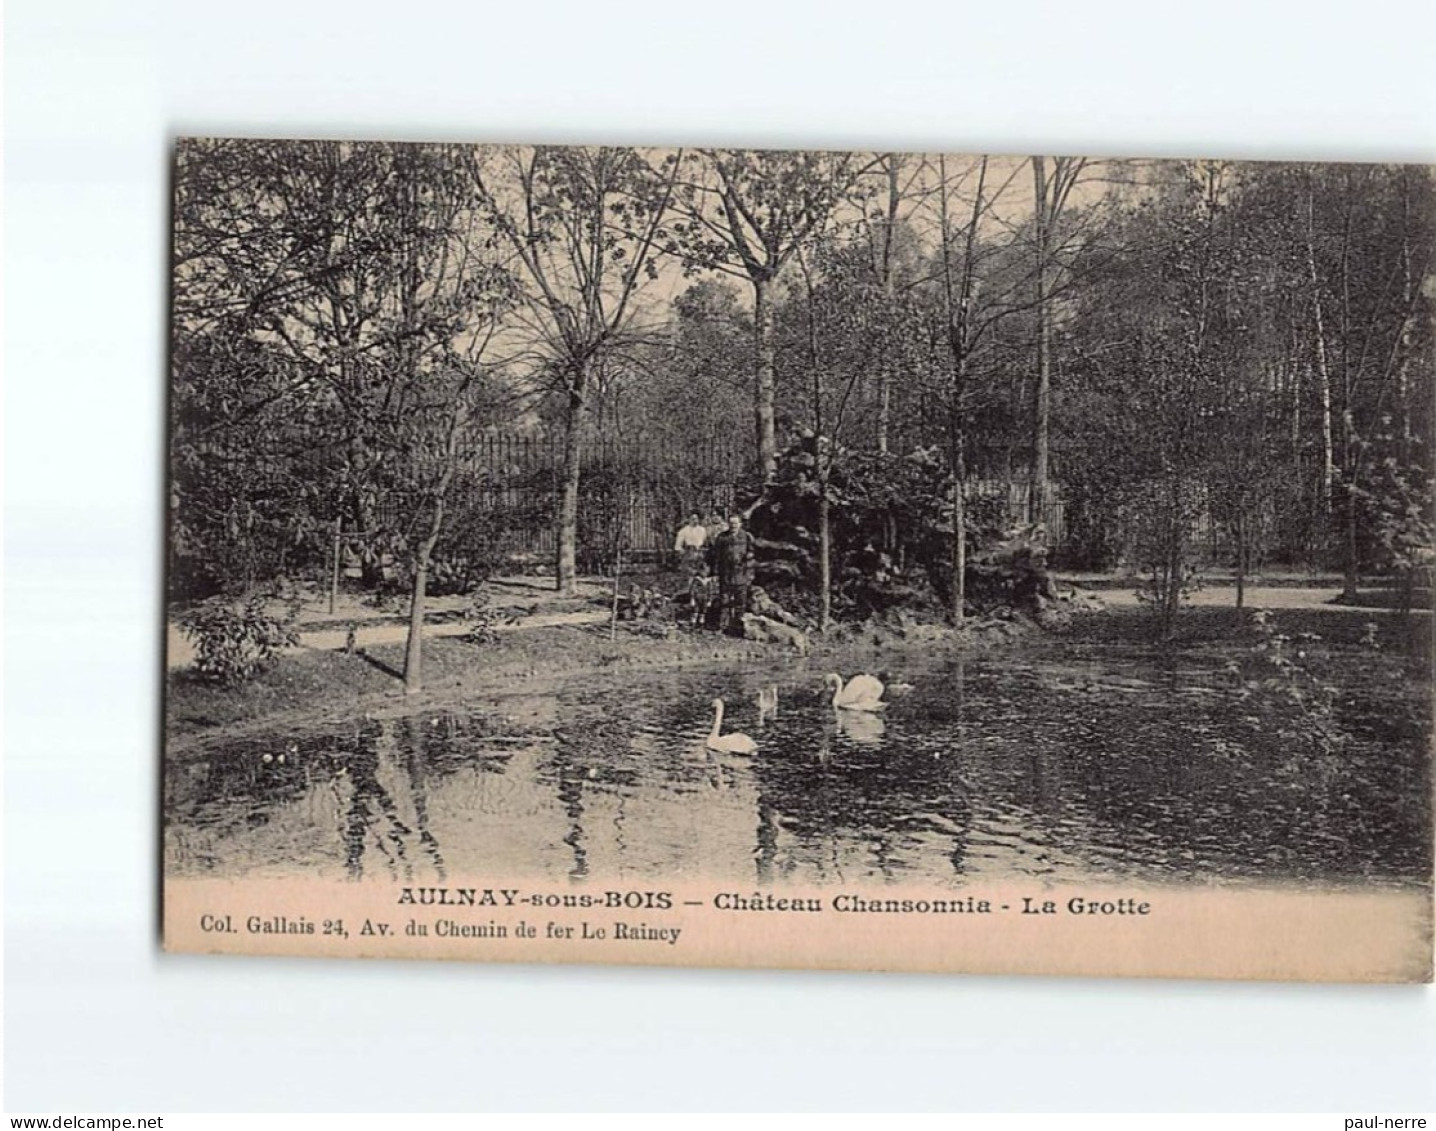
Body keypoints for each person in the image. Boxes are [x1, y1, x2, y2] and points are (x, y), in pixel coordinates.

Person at [710, 513, 755, 634]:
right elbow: (716, 557)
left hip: (741, 573)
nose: (733, 525)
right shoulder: (722, 537)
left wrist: (749, 563)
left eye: (735, 523)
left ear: (740, 524)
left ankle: (738, 627)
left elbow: (752, 553)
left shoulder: (746, 537)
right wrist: (714, 573)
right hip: (725, 574)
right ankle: (723, 626)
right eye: (731, 523)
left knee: (740, 601)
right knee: (724, 600)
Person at [673, 512, 708, 576]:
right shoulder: (683, 530)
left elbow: (705, 541)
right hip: (689, 553)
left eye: (696, 519)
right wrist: (685, 554)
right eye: (693, 519)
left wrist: (702, 551)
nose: (695, 521)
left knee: (702, 574)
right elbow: (677, 546)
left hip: (700, 554)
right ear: (689, 519)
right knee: (689, 575)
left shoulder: (702, 530)